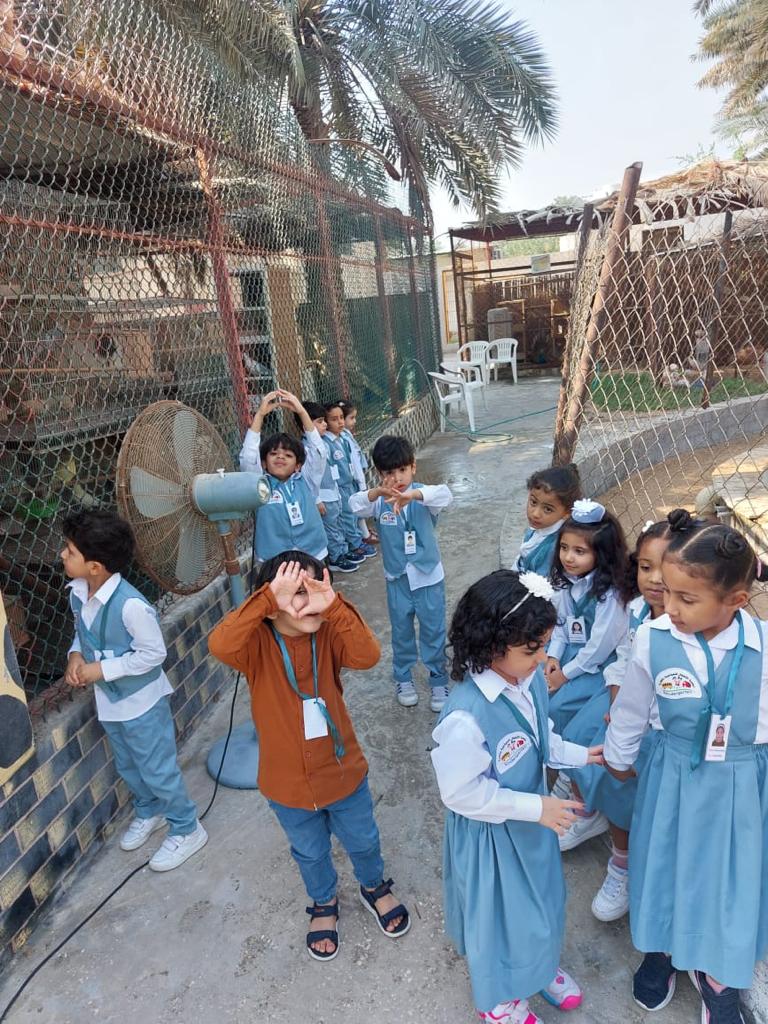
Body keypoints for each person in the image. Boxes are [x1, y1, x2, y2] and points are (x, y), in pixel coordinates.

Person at [604, 510, 768, 1023]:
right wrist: (619, 758)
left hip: (740, 786)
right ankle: (662, 949)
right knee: (664, 861)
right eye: (668, 592)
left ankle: (718, 978)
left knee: (729, 879)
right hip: (672, 776)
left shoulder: (764, 646)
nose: (669, 606)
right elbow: (631, 710)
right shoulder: (654, 639)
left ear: (735, 600)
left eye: (687, 599)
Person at [207, 551, 410, 961]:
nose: (309, 600)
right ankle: (323, 900)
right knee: (310, 851)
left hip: (342, 772)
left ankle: (373, 885)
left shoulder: (329, 632)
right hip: (287, 784)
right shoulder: (256, 644)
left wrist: (332, 605)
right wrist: (267, 599)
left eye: (316, 587)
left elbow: (368, 655)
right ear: (270, 606)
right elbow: (219, 644)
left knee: (363, 840)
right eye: (296, 593)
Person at [431, 569, 604, 1024]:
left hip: (531, 824)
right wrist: (537, 807)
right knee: (502, 918)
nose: (543, 658)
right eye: (532, 649)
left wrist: (583, 756)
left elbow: (541, 737)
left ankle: (537, 968)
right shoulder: (464, 719)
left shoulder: (526, 681)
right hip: (493, 837)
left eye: (544, 645)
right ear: (491, 645)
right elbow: (461, 793)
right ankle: (499, 999)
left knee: (543, 900)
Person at [62, 510, 207, 872]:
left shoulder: (131, 606)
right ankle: (149, 810)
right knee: (128, 764)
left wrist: (101, 669)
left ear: (95, 566)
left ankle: (187, 827)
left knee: (157, 769)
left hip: (142, 703)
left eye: (70, 551)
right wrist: (76, 655)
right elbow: (82, 632)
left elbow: (154, 654)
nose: (62, 555)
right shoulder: (78, 592)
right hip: (110, 703)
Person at [556, 518, 673, 923]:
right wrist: (616, 699)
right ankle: (587, 811)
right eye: (645, 567)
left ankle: (621, 864)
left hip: (658, 722)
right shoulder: (638, 610)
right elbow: (623, 660)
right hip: (622, 700)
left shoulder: (686, 625)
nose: (654, 579)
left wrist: (627, 715)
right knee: (580, 733)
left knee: (622, 781)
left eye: (665, 568)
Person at [349, 435, 453, 711]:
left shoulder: (425, 496)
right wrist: (377, 492)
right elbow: (354, 505)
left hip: (429, 578)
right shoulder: (378, 502)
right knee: (401, 631)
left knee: (433, 630)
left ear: (413, 467)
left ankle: (438, 679)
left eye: (402, 470)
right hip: (397, 580)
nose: (397, 478)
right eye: (389, 473)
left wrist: (414, 495)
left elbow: (445, 494)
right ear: (379, 474)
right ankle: (403, 677)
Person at [545, 499, 629, 734]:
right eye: (564, 547)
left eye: (579, 551)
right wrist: (553, 657)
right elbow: (561, 623)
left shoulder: (611, 595)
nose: (568, 557)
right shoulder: (567, 580)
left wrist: (564, 674)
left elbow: (600, 647)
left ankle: (563, 752)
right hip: (570, 652)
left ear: (602, 554)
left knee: (558, 707)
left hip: (597, 664)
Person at [240, 389, 329, 563]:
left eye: (288, 455)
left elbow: (319, 451)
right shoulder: (260, 486)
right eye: (273, 454)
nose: (280, 457)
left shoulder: (307, 481)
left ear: (298, 465)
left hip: (313, 552)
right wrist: (260, 414)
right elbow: (248, 457)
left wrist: (301, 411)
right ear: (264, 463)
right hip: (274, 559)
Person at [296, 402, 359, 574]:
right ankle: (336, 557)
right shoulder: (305, 449)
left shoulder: (324, 443)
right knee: (331, 527)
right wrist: (317, 499)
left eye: (324, 420)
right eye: (320, 421)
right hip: (323, 496)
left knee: (337, 523)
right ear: (306, 425)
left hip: (333, 493)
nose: (324, 424)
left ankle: (343, 551)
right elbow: (309, 479)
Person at [324, 401, 377, 565]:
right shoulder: (327, 443)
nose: (340, 422)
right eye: (334, 419)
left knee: (353, 513)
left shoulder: (343, 438)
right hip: (340, 487)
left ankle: (356, 540)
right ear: (326, 422)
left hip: (350, 483)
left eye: (341, 417)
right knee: (346, 515)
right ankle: (354, 544)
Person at [515, 465, 582, 575]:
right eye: (533, 502)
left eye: (547, 509)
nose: (535, 514)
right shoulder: (536, 529)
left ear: (567, 512)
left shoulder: (555, 547)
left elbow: (542, 581)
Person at [339, 398, 377, 544]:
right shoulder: (343, 438)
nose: (354, 421)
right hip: (351, 478)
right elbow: (353, 460)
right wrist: (360, 481)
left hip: (354, 477)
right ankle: (363, 536)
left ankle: (363, 532)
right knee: (355, 508)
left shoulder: (346, 435)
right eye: (351, 418)